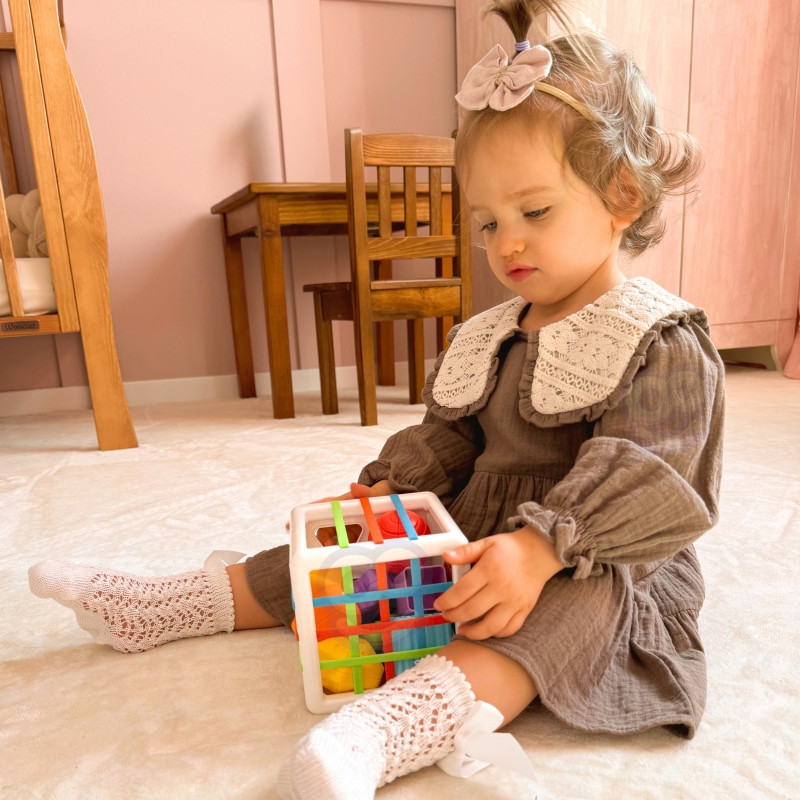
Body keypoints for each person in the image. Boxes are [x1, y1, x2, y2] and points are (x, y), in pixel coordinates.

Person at [27, 1, 725, 798]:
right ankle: (172, 603)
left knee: (570, 605)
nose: (507, 244)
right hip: (473, 524)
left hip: (591, 551)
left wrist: (538, 550)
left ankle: (386, 729)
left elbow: (653, 477)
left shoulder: (657, 336)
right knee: (345, 551)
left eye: (534, 212)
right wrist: (395, 487)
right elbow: (454, 433)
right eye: (487, 222)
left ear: (623, 196)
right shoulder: (493, 330)